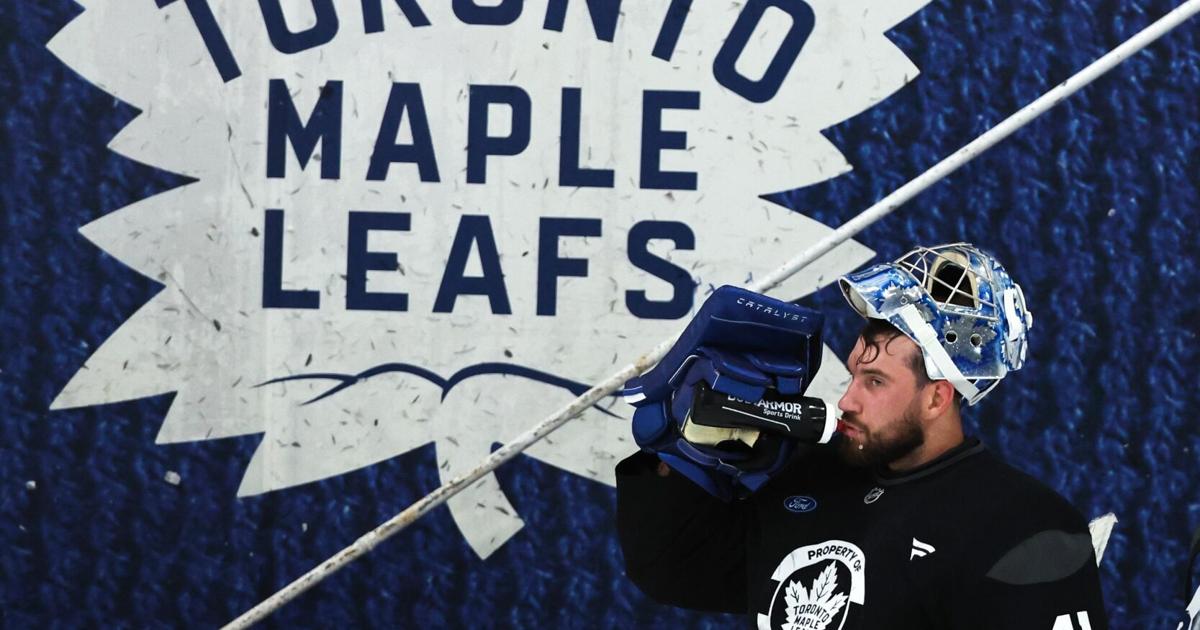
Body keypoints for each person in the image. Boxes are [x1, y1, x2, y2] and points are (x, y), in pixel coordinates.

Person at [616, 243, 1109, 629]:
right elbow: (673, 571)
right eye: (854, 374)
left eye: (875, 383)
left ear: (937, 398)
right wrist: (689, 453)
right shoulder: (808, 473)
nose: (847, 400)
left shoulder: (1025, 524)